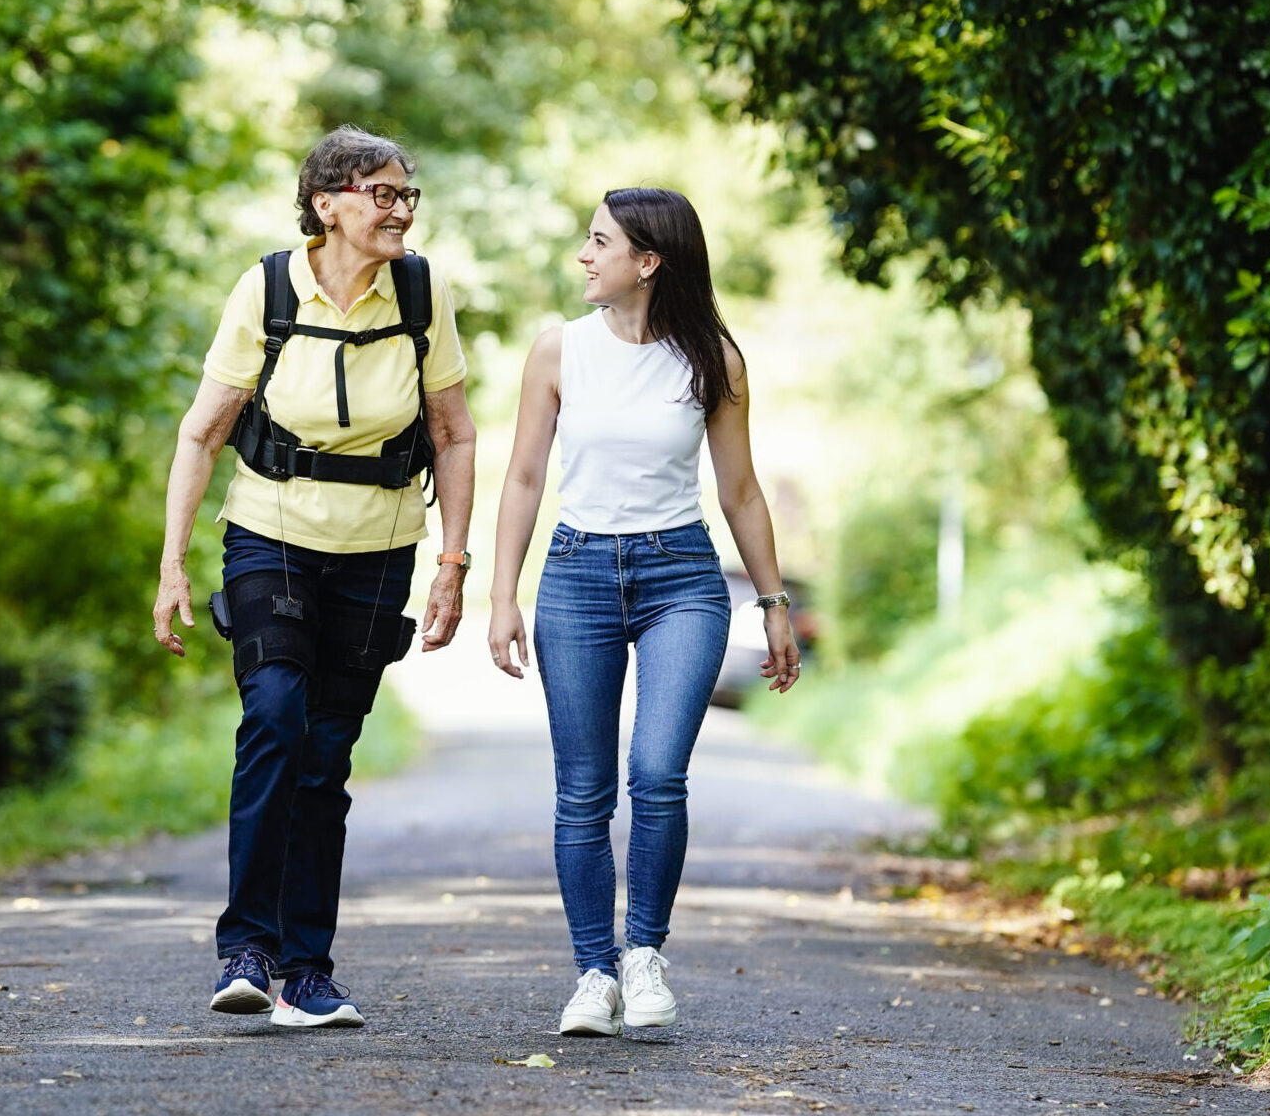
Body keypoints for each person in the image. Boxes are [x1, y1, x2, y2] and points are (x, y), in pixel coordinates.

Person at [154, 126, 478, 1030]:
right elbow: (201, 431)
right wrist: (172, 564)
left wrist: (453, 564)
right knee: (273, 717)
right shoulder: (265, 288)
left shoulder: (421, 291)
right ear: (327, 202)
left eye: (406, 194)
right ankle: (247, 948)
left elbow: (453, 435)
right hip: (271, 533)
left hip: (379, 549)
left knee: (326, 755)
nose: (400, 210)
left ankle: (307, 972)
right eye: (382, 194)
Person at [486, 186, 802, 1037]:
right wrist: (500, 593)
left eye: (599, 243)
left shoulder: (714, 360)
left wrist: (772, 604)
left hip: (682, 580)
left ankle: (643, 955)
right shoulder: (558, 350)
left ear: (647, 260)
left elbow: (738, 489)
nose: (583, 257)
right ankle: (593, 972)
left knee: (657, 774)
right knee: (583, 790)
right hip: (577, 576)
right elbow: (521, 478)